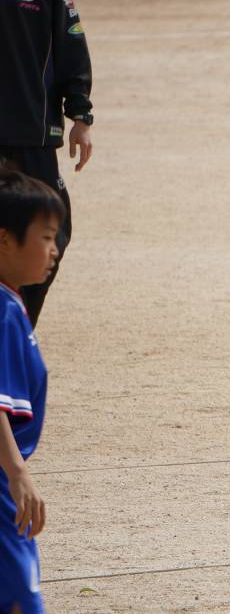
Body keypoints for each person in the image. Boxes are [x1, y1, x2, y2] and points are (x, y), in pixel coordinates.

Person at [0, 0, 94, 328]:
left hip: (35, 136)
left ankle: (18, 328)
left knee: (53, 233)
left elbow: (70, 41)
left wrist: (81, 115)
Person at [0, 169, 63, 614]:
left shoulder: (12, 301)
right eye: (45, 237)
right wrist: (18, 474)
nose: (54, 250)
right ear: (5, 240)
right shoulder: (3, 311)